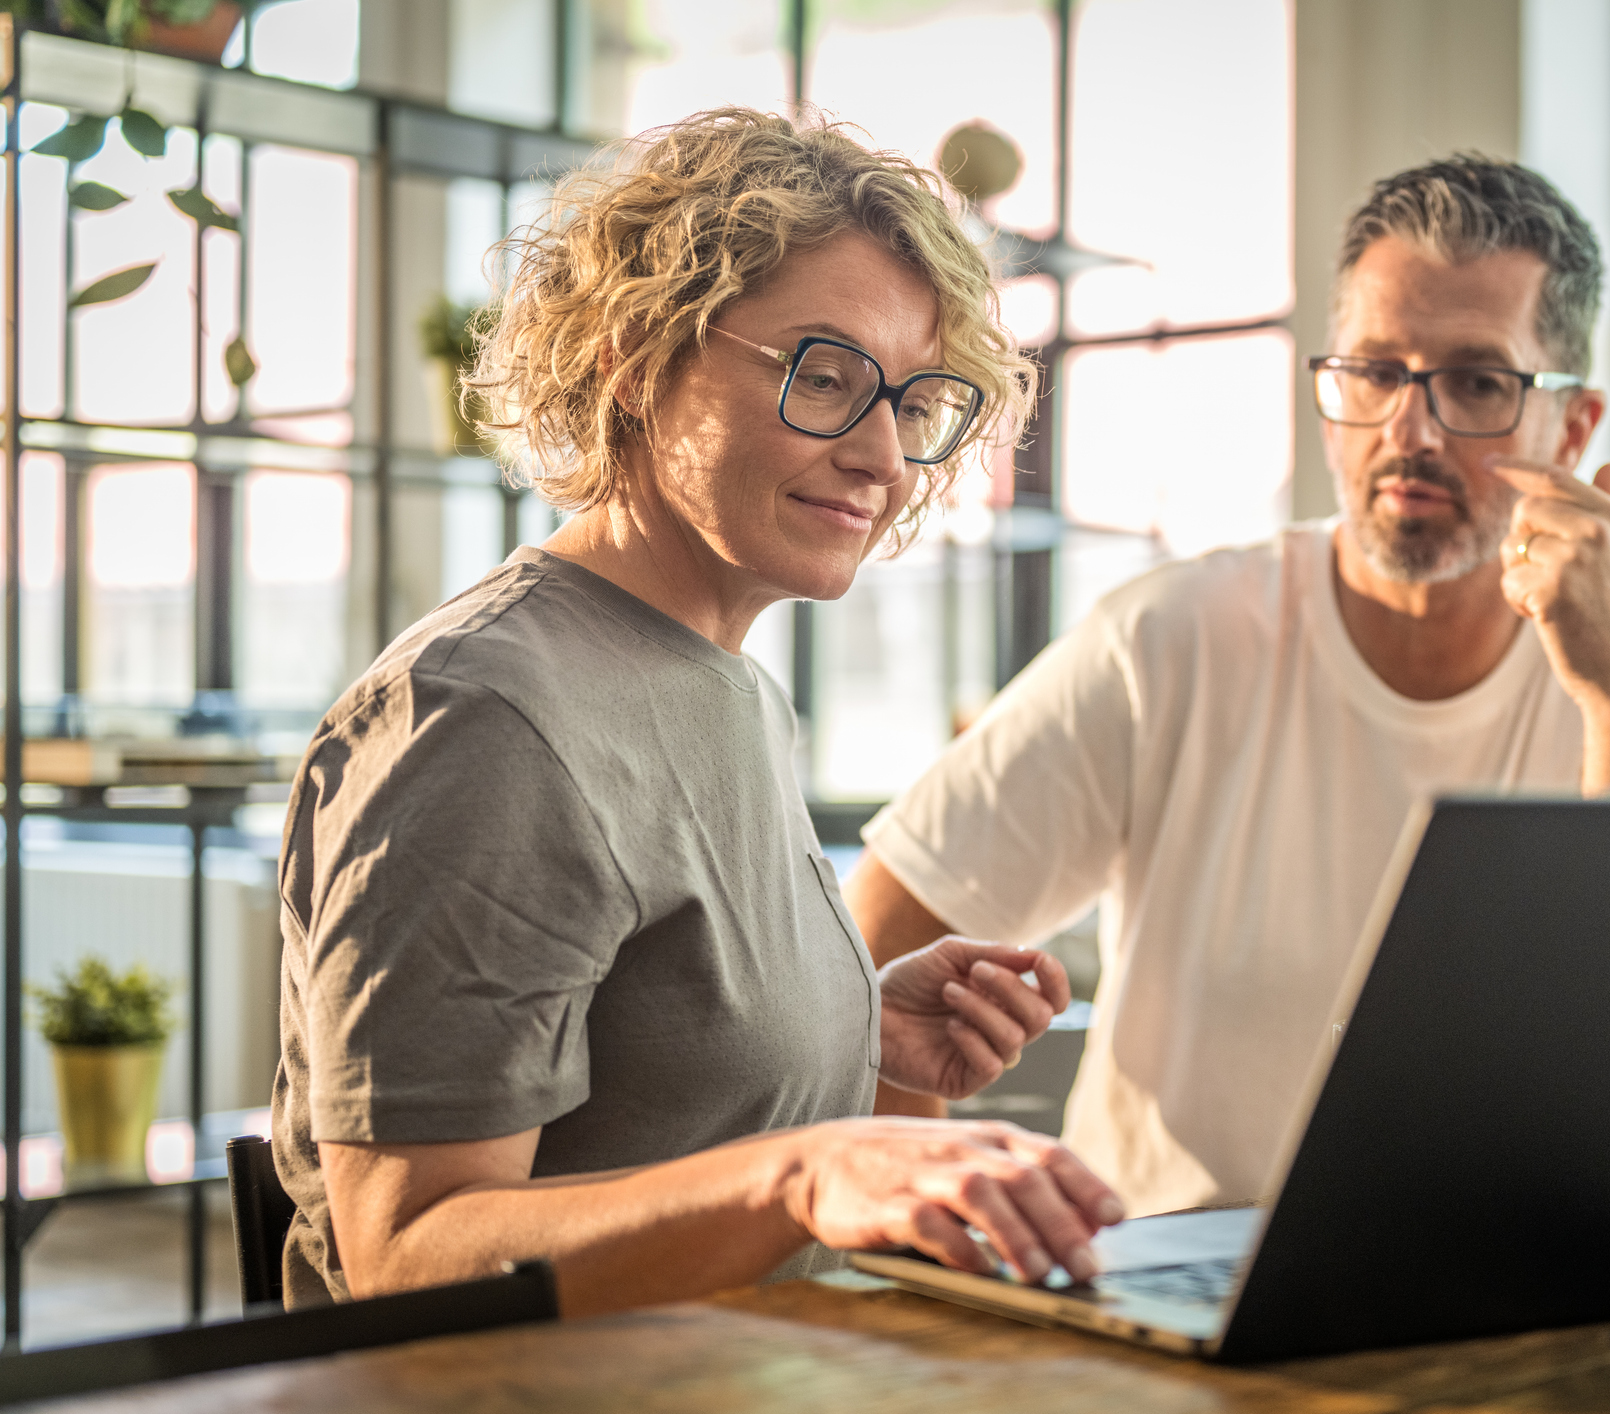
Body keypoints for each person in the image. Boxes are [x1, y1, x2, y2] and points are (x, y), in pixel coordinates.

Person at [273, 108, 1124, 1316]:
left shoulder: (731, 686)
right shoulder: (480, 717)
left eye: (914, 402)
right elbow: (407, 1253)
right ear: (635, 357)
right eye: (824, 375)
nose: (883, 453)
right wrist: (805, 1168)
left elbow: (638, 1086)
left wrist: (854, 1039)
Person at [844, 157, 1610, 1217]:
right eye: (1374, 372)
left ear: (1575, 425)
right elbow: (871, 952)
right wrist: (940, 1236)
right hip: (1168, 1303)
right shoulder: (1169, 638)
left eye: (1476, 382)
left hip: (1520, 1297)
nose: (1408, 433)